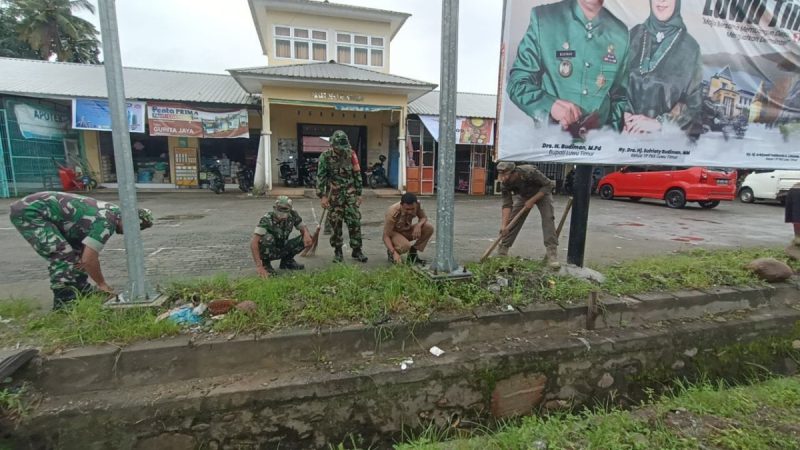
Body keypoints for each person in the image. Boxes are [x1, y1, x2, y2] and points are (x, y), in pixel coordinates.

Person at [9, 191, 153, 309]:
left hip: (47, 213)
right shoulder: (106, 222)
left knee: (76, 252)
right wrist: (102, 283)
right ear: (131, 221)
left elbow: (82, 252)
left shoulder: (114, 212)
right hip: (30, 212)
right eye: (136, 229)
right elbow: (89, 259)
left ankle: (80, 288)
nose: (130, 233)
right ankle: (65, 300)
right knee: (62, 254)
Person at [507, 0, 631, 134]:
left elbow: (620, 97)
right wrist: (550, 106)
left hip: (597, 148)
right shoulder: (544, 18)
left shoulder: (621, 33)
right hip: (551, 145)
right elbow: (517, 83)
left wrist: (608, 134)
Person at [623, 0, 703, 137]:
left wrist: (658, 124)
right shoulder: (635, 35)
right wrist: (624, 115)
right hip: (624, 137)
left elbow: (694, 105)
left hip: (661, 145)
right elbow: (615, 84)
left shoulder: (690, 49)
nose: (662, 1)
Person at [316, 130, 368, 263]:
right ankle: (338, 252)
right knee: (336, 224)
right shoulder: (325, 157)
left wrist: (359, 193)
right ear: (332, 145)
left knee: (354, 222)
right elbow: (321, 177)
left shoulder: (351, 154)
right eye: (339, 148)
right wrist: (322, 196)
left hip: (350, 194)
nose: (342, 150)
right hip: (334, 196)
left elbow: (357, 174)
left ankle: (357, 250)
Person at [496, 162, 560, 268]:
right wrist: (504, 225)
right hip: (524, 195)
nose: (503, 178)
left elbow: (549, 185)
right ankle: (503, 250)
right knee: (512, 221)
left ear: (514, 173)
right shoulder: (504, 183)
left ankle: (552, 253)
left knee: (548, 219)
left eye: (505, 175)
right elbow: (507, 204)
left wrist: (532, 200)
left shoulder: (529, 172)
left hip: (542, 194)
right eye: (501, 174)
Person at [250, 196, 312, 278]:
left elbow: (302, 227)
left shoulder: (292, 214)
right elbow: (254, 243)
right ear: (275, 208)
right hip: (270, 250)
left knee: (306, 237)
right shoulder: (267, 219)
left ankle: (287, 261)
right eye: (280, 208)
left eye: (285, 209)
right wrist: (259, 266)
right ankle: (266, 265)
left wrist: (306, 234)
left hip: (283, 246)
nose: (282, 212)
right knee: (267, 238)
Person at [383, 192, 434, 265]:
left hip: (406, 230)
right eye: (407, 209)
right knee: (405, 246)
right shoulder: (392, 212)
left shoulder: (417, 204)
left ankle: (413, 254)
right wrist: (393, 252)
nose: (410, 211)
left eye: (412, 209)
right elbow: (386, 236)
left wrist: (418, 225)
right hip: (394, 234)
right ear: (401, 205)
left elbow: (423, 218)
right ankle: (393, 253)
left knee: (428, 228)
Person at [785, 183, 800, 259]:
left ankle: (797, 238)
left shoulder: (793, 189)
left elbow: (789, 205)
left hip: (796, 218)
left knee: (796, 218)